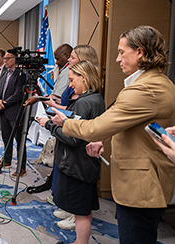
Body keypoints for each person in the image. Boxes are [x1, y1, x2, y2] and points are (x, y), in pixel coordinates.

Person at [52, 26, 175, 244]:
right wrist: (103, 142)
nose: (117, 59)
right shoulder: (156, 83)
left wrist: (65, 122)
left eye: (121, 52)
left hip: (141, 186)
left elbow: (96, 127)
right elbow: (132, 129)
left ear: (140, 52)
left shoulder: (144, 89)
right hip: (145, 181)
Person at [36, 61, 105, 244]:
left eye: (73, 80)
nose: (70, 85)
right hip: (86, 165)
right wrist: (64, 122)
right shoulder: (95, 99)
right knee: (84, 210)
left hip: (78, 165)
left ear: (84, 77)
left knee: (81, 212)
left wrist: (50, 125)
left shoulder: (84, 103)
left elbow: (73, 138)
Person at [0, 50, 27, 177]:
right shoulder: (4, 73)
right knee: (6, 138)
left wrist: (4, 103)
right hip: (3, 111)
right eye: (5, 58)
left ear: (15, 59)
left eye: (8, 58)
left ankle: (21, 167)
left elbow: (19, 93)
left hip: (14, 111)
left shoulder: (21, 74)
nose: (5, 61)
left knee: (19, 140)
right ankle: (7, 161)